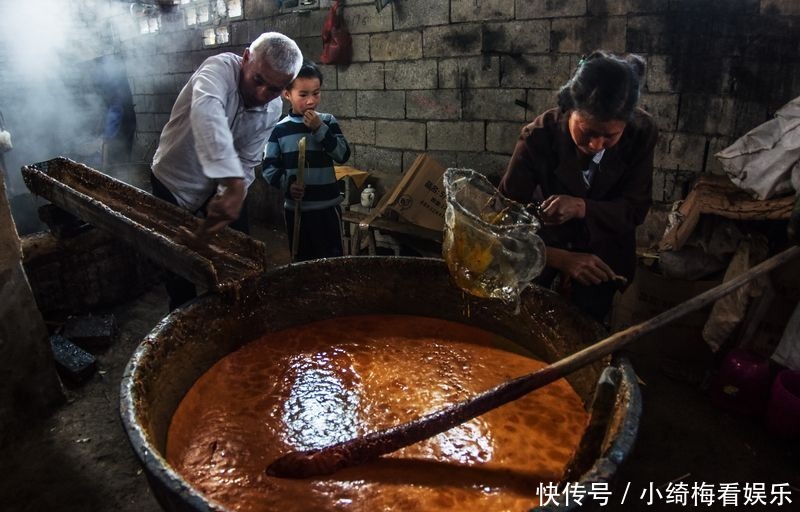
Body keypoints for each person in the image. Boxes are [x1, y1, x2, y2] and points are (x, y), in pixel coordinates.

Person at [498, 50, 658, 324]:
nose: (596, 145)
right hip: (545, 248)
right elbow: (501, 219)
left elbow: (635, 207)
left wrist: (582, 207)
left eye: (610, 136)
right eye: (587, 132)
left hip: (606, 249)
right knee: (527, 318)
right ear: (569, 108)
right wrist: (558, 258)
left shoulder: (641, 133)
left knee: (586, 325)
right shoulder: (537, 137)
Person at [150, 32, 303, 310]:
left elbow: (247, 160)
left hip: (221, 185)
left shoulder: (272, 108)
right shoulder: (217, 69)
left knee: (237, 257)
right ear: (246, 58)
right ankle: (184, 326)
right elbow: (207, 115)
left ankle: (234, 317)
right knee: (178, 270)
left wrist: (234, 190)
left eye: (272, 89)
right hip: (174, 180)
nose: (261, 94)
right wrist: (231, 181)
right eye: (258, 80)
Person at [262, 59, 351, 261]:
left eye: (316, 93)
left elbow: (342, 154)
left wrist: (320, 129)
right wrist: (289, 185)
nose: (311, 101)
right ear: (287, 94)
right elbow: (269, 168)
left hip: (328, 207)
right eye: (303, 95)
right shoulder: (278, 130)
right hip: (298, 211)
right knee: (302, 260)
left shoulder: (327, 121)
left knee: (333, 261)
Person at [93, 55, 137, 168]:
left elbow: (116, 104)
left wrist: (108, 135)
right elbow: (108, 102)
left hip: (122, 118)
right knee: (123, 159)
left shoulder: (107, 67)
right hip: (125, 115)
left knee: (117, 162)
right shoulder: (109, 62)